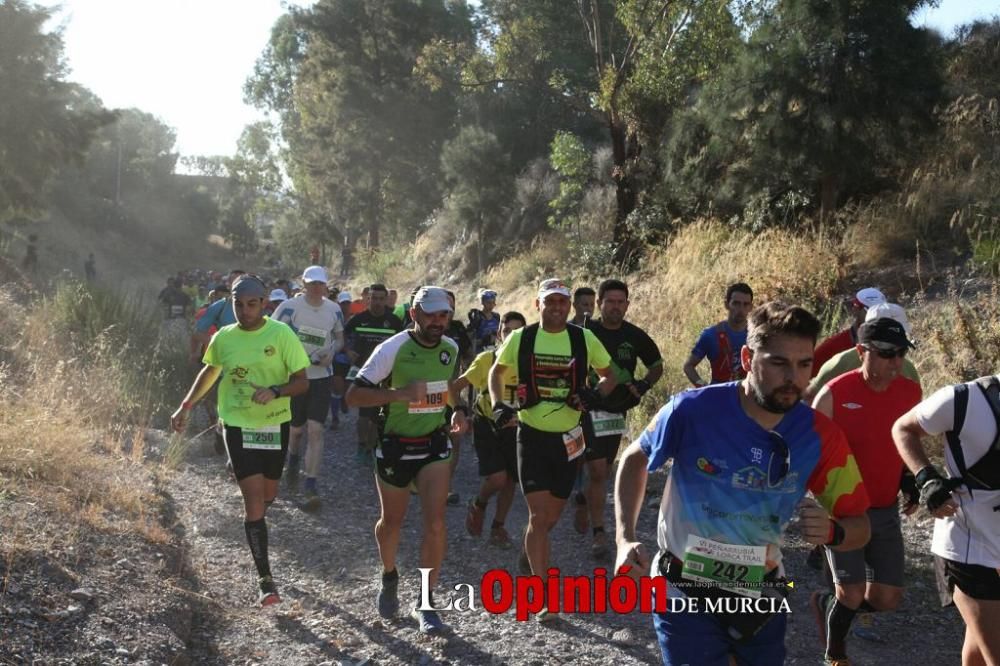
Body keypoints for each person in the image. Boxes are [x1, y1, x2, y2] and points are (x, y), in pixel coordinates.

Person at [615, 301, 871, 665]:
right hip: (682, 587)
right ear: (748, 358)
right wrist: (624, 537)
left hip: (761, 592)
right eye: (779, 363)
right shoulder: (691, 410)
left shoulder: (820, 435)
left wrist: (834, 533)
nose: (793, 378)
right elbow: (635, 457)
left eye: (804, 365)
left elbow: (860, 526)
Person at [170, 274, 309, 607]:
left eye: (252, 304)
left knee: (268, 495)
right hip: (236, 423)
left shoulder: (282, 334)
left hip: (275, 424)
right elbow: (210, 371)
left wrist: (275, 390)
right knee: (253, 503)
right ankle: (266, 581)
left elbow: (302, 382)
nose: (245, 311)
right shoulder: (224, 338)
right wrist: (186, 405)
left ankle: (258, 503)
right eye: (238, 304)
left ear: (263, 303)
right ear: (231, 303)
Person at [345, 286, 470, 634]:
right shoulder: (392, 348)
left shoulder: (450, 347)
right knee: (391, 524)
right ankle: (389, 576)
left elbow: (447, 386)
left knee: (435, 523)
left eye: (443, 315)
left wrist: (458, 410)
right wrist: (398, 394)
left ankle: (426, 603)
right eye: (430, 314)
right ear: (414, 314)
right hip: (395, 446)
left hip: (433, 446)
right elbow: (353, 395)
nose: (437, 321)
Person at [490, 278, 616, 620]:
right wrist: (498, 403)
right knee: (538, 516)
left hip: (569, 439)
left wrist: (592, 395)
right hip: (530, 436)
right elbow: (496, 373)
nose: (557, 307)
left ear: (569, 305)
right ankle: (545, 596)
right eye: (551, 302)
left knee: (549, 519)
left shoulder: (583, 338)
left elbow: (610, 376)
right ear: (538, 304)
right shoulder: (522, 338)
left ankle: (529, 553)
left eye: (562, 301)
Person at [810, 317, 922, 665]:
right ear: (861, 352)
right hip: (844, 510)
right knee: (852, 591)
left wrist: (910, 482)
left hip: (885, 508)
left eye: (901, 353)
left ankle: (827, 603)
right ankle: (835, 654)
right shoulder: (833, 395)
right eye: (887, 354)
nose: (896, 363)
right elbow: (811, 454)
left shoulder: (910, 392)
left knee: (887, 598)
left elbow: (908, 443)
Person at [893, 378, 1000, 666]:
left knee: (979, 648)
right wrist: (926, 478)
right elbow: (903, 428)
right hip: (968, 545)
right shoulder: (965, 399)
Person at [577, 279, 663, 559]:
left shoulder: (635, 335)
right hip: (585, 408)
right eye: (609, 301)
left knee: (602, 469)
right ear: (599, 303)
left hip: (616, 411)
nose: (615, 307)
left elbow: (656, 365)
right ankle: (599, 533)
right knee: (598, 471)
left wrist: (643, 386)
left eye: (620, 302)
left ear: (627, 304)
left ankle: (583, 496)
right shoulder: (584, 331)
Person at [271, 266, 345, 511]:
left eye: (320, 283)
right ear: (303, 283)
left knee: (316, 430)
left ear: (326, 285)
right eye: (311, 283)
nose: (315, 288)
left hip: (322, 377)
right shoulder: (289, 307)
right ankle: (292, 460)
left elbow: (340, 338)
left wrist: (331, 352)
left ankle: (311, 483)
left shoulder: (334, 309)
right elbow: (271, 335)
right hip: (295, 378)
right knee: (296, 431)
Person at [453, 311, 527, 549]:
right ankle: (479, 503)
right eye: (506, 332)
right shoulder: (487, 359)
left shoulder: (529, 361)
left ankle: (498, 526)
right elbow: (455, 387)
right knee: (497, 478)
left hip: (517, 426)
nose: (510, 337)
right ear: (498, 334)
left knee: (511, 481)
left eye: (517, 333)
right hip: (487, 424)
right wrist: (460, 410)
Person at [805, 302, 920, 402]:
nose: (895, 361)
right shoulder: (839, 364)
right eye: (886, 351)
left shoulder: (909, 371)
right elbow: (809, 400)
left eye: (901, 351)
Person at [344, 284, 405, 465]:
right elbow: (341, 336)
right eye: (373, 298)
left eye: (380, 299)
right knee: (363, 414)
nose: (377, 302)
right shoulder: (358, 319)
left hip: (386, 373)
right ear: (367, 299)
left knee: (376, 415)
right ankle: (361, 446)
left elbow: (404, 343)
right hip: (363, 371)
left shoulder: (394, 321)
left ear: (386, 300)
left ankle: (372, 447)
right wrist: (347, 350)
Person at [682, 282, 754, 387]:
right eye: (736, 303)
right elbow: (688, 366)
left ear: (751, 307)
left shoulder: (757, 335)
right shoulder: (711, 335)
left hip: (748, 397)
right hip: (719, 397)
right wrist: (703, 387)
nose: (741, 309)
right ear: (727, 304)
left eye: (745, 304)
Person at [811, 288, 886, 378]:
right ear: (855, 309)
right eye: (871, 311)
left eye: (882, 312)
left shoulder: (893, 349)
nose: (877, 317)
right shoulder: (832, 347)